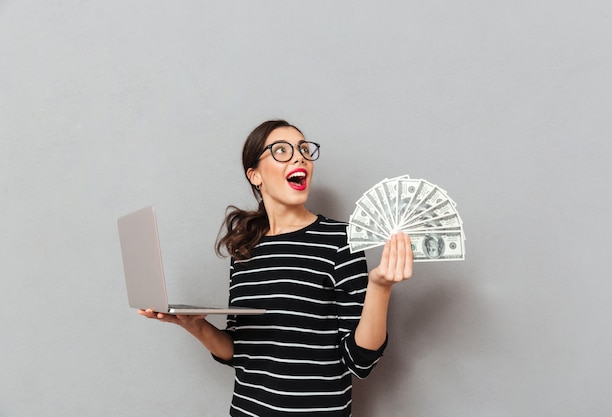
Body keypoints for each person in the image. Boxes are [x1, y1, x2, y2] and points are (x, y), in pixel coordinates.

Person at [139, 120, 413, 416]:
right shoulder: (244, 248)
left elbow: (359, 362)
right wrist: (194, 325)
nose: (299, 157)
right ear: (255, 175)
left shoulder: (340, 241)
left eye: (304, 150)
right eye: (281, 150)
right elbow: (239, 351)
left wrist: (380, 287)